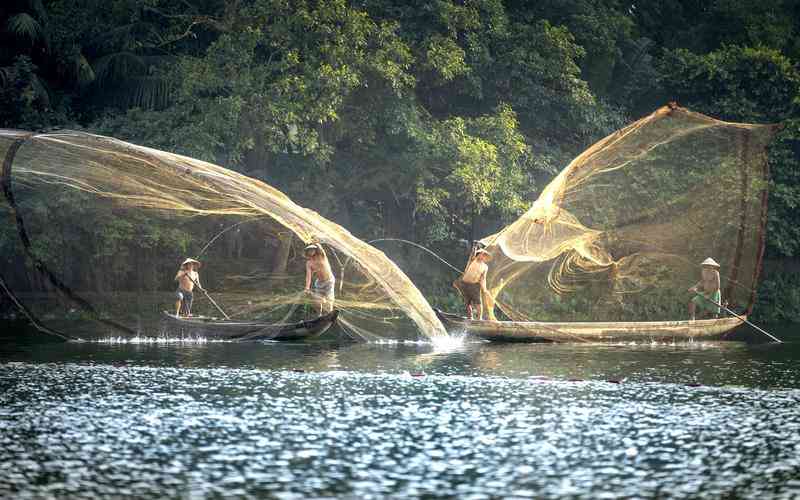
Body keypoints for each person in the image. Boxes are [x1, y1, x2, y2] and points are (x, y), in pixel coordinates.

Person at [454, 247, 492, 320]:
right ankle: (470, 317)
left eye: (484, 255)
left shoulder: (485, 267)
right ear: (479, 254)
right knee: (467, 302)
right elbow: (472, 254)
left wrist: (484, 289)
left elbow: (483, 278)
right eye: (482, 254)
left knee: (478, 302)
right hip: (464, 284)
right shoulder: (473, 260)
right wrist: (475, 247)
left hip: (474, 285)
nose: (483, 256)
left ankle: (479, 318)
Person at [304, 243, 335, 315]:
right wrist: (307, 287)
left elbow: (320, 248)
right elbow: (308, 276)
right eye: (309, 250)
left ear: (315, 250)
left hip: (329, 282)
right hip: (319, 283)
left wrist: (315, 242)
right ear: (307, 252)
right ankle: (319, 316)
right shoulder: (309, 263)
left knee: (329, 303)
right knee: (317, 302)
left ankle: (329, 316)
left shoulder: (321, 255)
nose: (311, 251)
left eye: (313, 249)